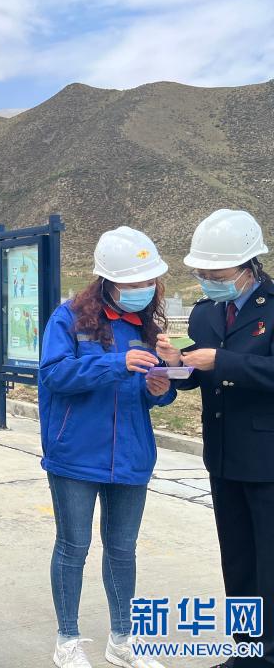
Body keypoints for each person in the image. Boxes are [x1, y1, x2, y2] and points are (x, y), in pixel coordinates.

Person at [40, 226, 174, 668]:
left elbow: (150, 393)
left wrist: (160, 389)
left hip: (131, 456)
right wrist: (117, 363)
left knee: (122, 549)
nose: (144, 289)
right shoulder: (69, 319)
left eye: (149, 281)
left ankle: (122, 640)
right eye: (135, 282)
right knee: (73, 547)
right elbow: (54, 374)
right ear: (108, 281)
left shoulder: (146, 326)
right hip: (76, 455)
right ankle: (67, 639)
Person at [156, 209, 274, 668]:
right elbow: (198, 372)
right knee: (238, 560)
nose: (208, 282)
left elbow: (232, 365)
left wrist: (220, 362)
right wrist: (175, 363)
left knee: (269, 563)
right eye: (202, 274)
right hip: (223, 455)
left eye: (217, 275)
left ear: (248, 267)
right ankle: (246, 652)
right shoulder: (206, 313)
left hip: (266, 457)